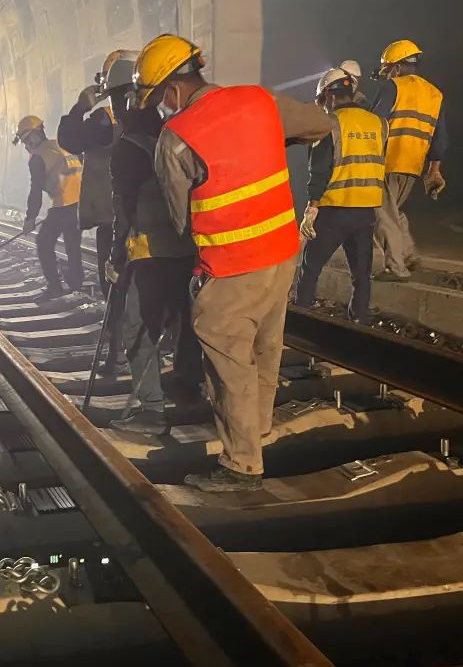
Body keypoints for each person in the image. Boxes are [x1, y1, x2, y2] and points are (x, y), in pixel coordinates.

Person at [134, 34, 331, 492]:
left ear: (172, 90)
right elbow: (321, 124)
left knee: (229, 362)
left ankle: (242, 466)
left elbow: (181, 220)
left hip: (231, 264)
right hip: (281, 251)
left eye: (160, 98)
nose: (162, 107)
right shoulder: (260, 101)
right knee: (266, 345)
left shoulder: (175, 138)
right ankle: (257, 431)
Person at [106, 88, 204, 435]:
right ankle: (191, 393)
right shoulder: (175, 136)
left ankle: (151, 409)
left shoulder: (126, 148)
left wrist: (116, 255)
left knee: (138, 328)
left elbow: (124, 207)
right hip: (186, 247)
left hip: (149, 252)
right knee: (185, 323)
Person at [58, 50, 136, 373]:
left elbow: (69, 139)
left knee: (115, 287)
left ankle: (117, 354)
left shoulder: (106, 119)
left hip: (112, 219)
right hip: (149, 219)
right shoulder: (155, 113)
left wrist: (81, 106)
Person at [294, 69, 387, 323]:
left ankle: (301, 317)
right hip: (367, 211)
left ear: (329, 95)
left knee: (310, 268)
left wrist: (311, 208)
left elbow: (319, 170)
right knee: (361, 274)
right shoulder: (378, 123)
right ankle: (358, 321)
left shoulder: (329, 124)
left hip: (334, 210)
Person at [370, 39, 447, 281]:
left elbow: (374, 123)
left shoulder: (391, 87)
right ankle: (409, 256)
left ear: (395, 67)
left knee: (380, 215)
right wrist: (434, 170)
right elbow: (440, 138)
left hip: (386, 161)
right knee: (393, 211)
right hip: (413, 166)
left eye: (387, 69)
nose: (385, 74)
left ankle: (397, 268)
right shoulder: (434, 94)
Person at [14, 116, 85, 300]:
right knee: (72, 244)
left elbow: (36, 190)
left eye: (26, 141)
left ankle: (55, 287)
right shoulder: (61, 144)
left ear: (34, 135)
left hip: (63, 204)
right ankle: (76, 282)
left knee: (44, 242)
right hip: (81, 203)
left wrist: (30, 219)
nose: (26, 145)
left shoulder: (38, 158)